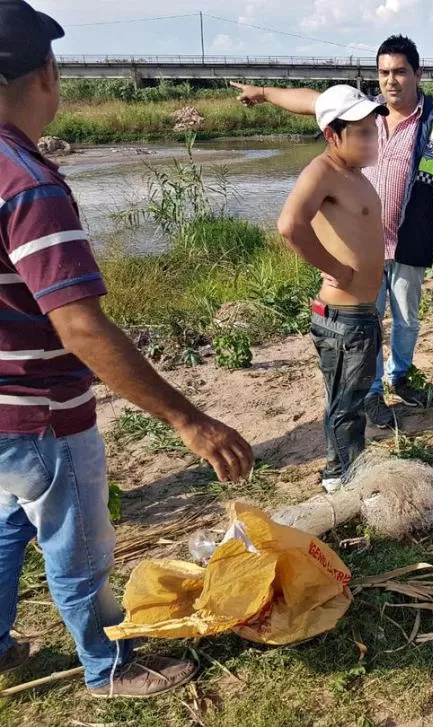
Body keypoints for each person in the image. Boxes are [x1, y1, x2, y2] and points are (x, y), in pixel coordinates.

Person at [0, 0, 254, 697]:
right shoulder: (26, 181)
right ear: (47, 74)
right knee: (79, 546)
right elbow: (79, 326)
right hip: (41, 412)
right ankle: (109, 666)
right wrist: (189, 420)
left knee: (5, 526)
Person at [232, 35, 433, 429]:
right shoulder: (361, 115)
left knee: (406, 319)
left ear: (418, 75)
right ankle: (371, 392)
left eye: (400, 72)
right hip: (363, 252)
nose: (391, 81)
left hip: (412, 244)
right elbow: (311, 102)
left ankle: (400, 375)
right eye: (384, 72)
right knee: (367, 324)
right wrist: (266, 93)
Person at [276, 85, 388, 492]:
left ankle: (343, 469)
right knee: (347, 404)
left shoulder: (351, 173)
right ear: (332, 135)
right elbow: (290, 225)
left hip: (359, 314)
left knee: (347, 397)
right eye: (360, 132)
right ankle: (341, 478)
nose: (371, 139)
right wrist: (335, 268)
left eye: (373, 129)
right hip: (344, 318)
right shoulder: (323, 170)